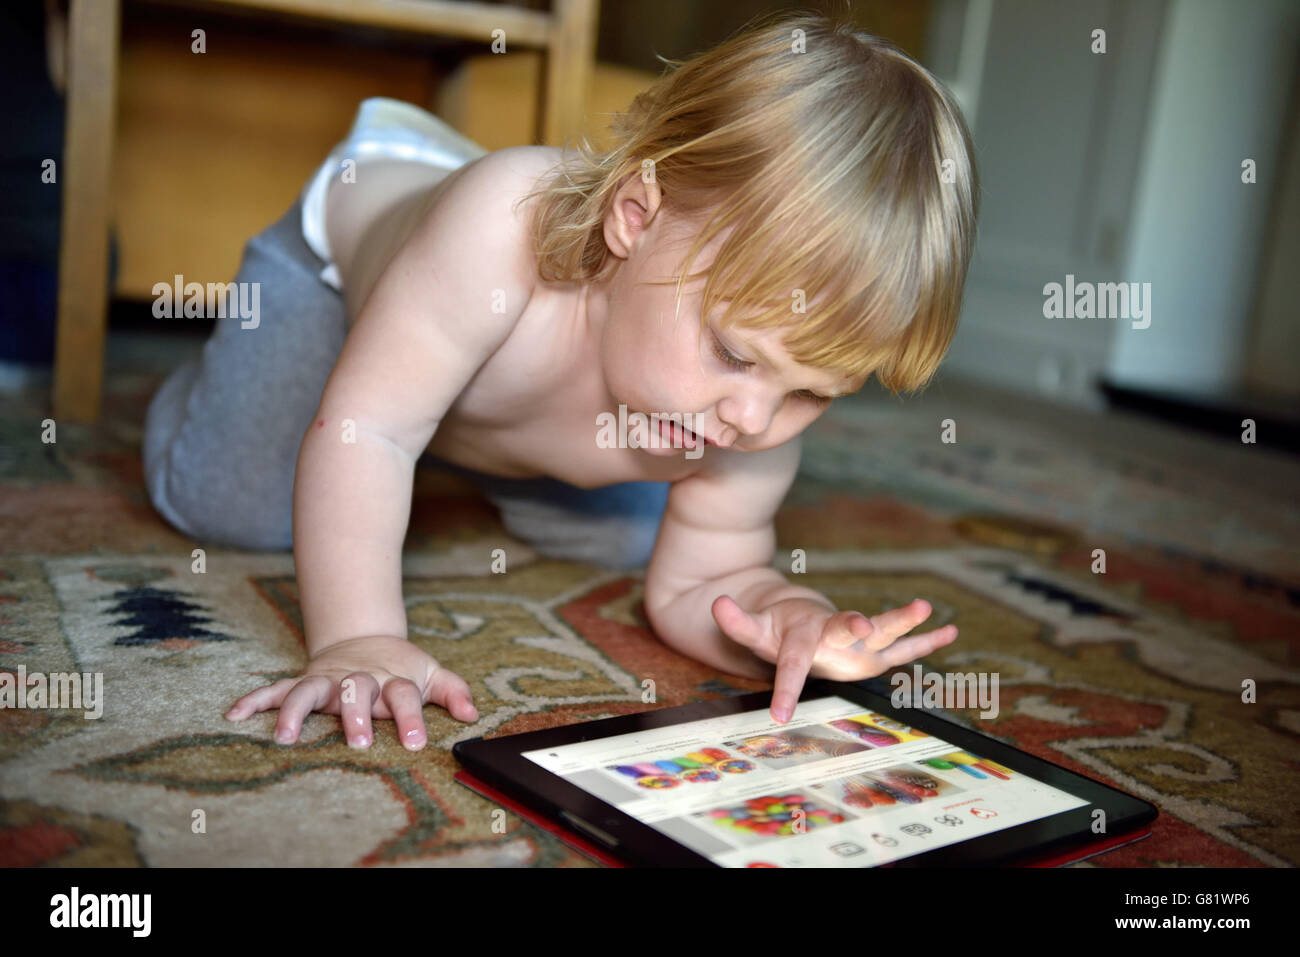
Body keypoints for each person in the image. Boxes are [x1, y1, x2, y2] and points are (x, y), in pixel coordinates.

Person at [141, 10, 979, 751]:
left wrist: (784, 620)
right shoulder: (493, 235)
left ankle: (454, 431)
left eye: (814, 393)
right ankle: (215, 377)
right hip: (348, 260)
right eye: (733, 353)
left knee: (620, 540)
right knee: (236, 496)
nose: (753, 418)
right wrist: (357, 639)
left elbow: (700, 587)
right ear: (635, 217)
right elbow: (373, 430)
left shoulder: (750, 416)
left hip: (508, 391)